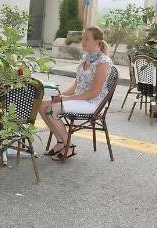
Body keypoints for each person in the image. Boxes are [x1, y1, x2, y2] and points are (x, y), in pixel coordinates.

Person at [39, 26, 112, 161]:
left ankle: (69, 146)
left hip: (93, 103)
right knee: (42, 105)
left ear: (97, 42)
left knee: (51, 110)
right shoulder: (86, 58)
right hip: (79, 99)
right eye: (82, 38)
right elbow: (77, 84)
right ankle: (61, 142)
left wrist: (67, 99)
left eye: (86, 39)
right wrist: (62, 96)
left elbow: (94, 93)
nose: (83, 42)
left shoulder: (103, 62)